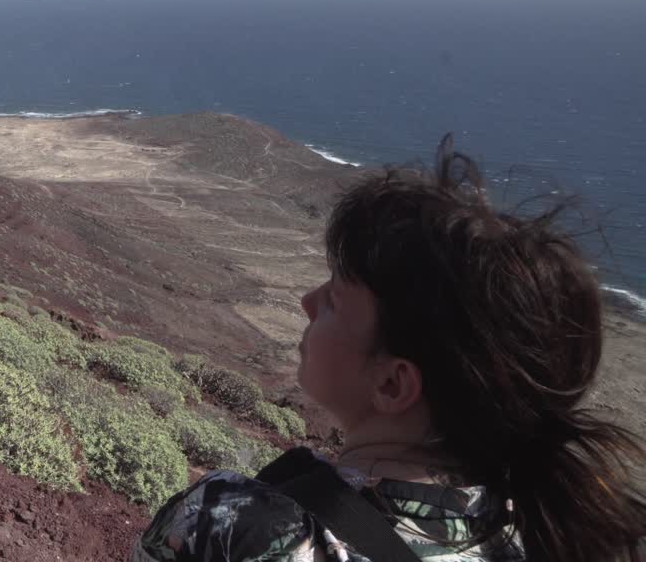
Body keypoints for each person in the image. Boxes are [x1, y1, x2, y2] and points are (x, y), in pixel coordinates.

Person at [132, 136, 646, 562]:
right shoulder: (540, 535)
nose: (306, 301)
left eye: (333, 300)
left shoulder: (233, 524)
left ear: (393, 383)